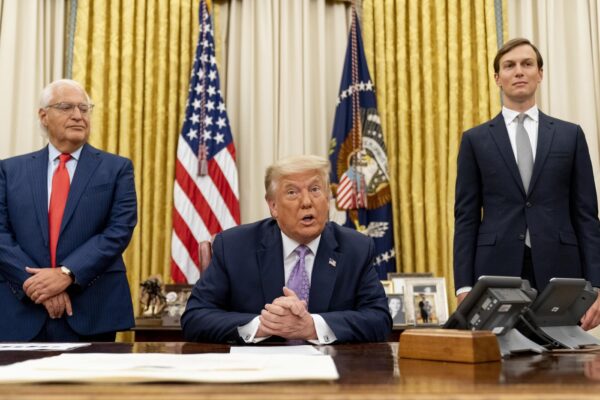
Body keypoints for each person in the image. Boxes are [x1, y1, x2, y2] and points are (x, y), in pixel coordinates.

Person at [453, 38, 600, 330]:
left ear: (540, 73)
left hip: (562, 271)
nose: (518, 71)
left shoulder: (570, 136)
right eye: (509, 66)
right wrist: (463, 287)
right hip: (496, 270)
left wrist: (597, 284)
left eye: (527, 64)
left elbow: (586, 216)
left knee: (562, 365)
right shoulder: (475, 140)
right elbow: (466, 218)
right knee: (502, 366)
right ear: (498, 78)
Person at [181, 155, 392, 343]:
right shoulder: (234, 246)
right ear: (273, 206)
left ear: (327, 199)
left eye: (315, 189)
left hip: (330, 375)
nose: (307, 202)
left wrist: (312, 326)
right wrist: (262, 325)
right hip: (256, 374)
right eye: (292, 192)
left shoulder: (356, 248)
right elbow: (195, 317)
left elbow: (379, 319)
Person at [0, 79, 138, 341]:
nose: (78, 116)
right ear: (43, 116)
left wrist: (67, 274)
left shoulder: (117, 169)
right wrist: (38, 286)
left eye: (84, 109)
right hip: (19, 309)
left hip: (92, 310)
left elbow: (119, 230)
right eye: (66, 107)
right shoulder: (9, 170)